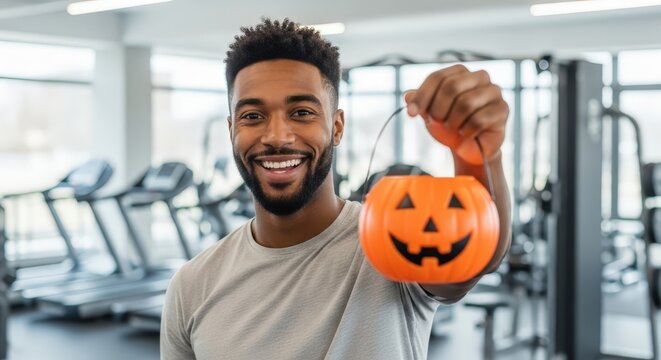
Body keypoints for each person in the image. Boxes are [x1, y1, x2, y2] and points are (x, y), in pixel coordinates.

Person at [161, 18, 511, 360]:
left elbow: (474, 257)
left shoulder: (386, 244)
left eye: (301, 112)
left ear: (337, 126)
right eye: (252, 116)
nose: (277, 137)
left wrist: (480, 156)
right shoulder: (191, 286)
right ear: (231, 130)